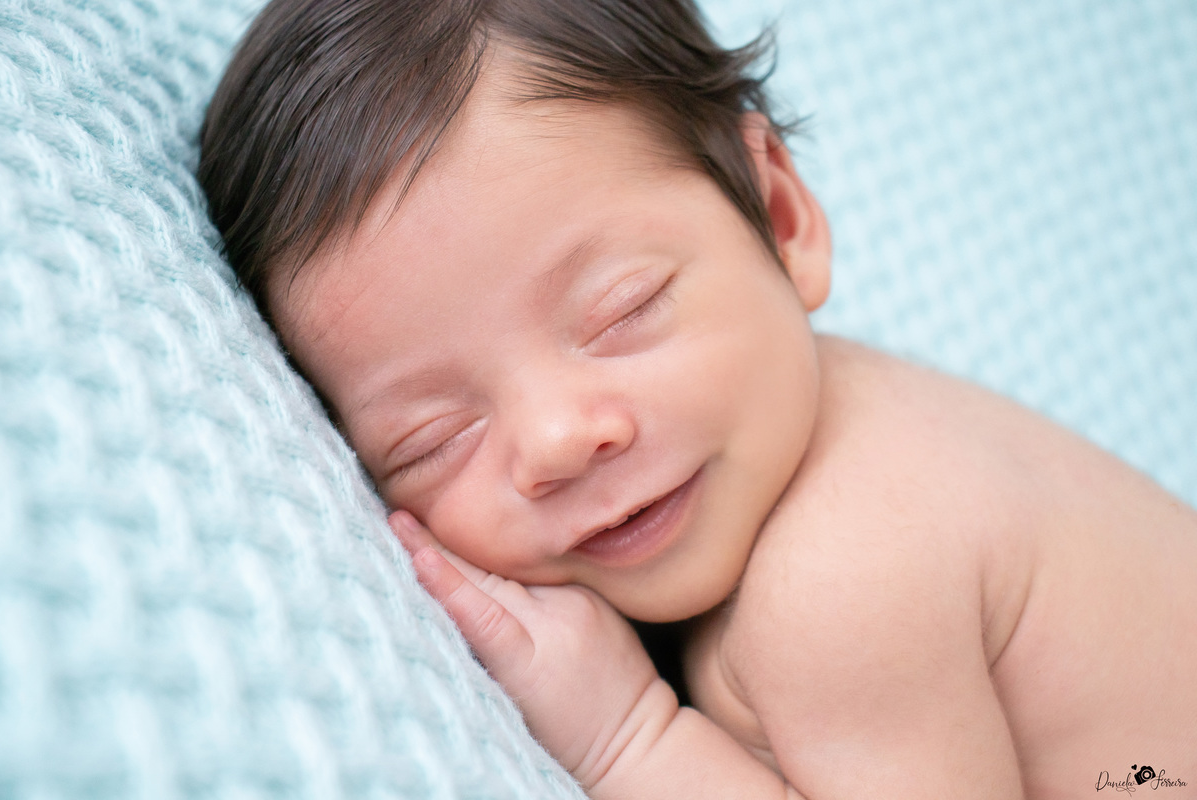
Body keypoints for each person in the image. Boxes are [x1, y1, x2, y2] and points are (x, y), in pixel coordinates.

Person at [198, 0, 1197, 796]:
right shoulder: (788, 436)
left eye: (621, 309)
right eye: (434, 436)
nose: (556, 438)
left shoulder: (844, 578)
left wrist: (629, 738)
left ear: (780, 213)